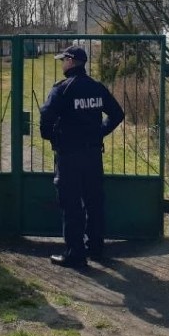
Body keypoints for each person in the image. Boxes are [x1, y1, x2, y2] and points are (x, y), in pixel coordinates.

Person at [39, 45, 124, 268]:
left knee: (71, 203)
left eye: (63, 60)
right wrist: (100, 132)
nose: (61, 64)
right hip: (93, 153)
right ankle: (95, 248)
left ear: (70, 61)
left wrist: (53, 138)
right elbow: (117, 114)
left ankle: (75, 253)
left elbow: (46, 117)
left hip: (69, 155)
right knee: (94, 201)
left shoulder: (63, 89)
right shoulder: (96, 87)